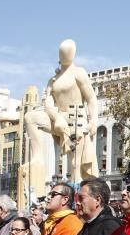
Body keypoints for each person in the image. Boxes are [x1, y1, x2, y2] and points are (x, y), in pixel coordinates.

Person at [21, 39, 99, 190]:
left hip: (76, 118)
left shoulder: (79, 73)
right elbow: (48, 102)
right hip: (57, 117)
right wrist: (56, 118)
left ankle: (76, 191)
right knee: (31, 117)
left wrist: (93, 121)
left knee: (75, 163)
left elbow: (91, 99)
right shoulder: (53, 79)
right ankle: (37, 157)